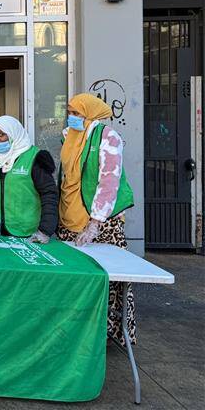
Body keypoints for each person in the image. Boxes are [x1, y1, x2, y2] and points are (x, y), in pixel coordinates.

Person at [56, 93, 136, 345]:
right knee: (75, 279)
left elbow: (109, 181)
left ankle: (107, 335)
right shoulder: (70, 135)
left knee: (107, 280)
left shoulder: (108, 137)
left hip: (101, 221)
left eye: (77, 113)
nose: (71, 117)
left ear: (90, 113)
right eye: (69, 112)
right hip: (70, 217)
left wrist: (95, 222)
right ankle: (76, 333)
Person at [0, 116, 58, 241]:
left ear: (13, 134)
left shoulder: (34, 157)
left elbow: (49, 194)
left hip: (30, 234)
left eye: (1, 134)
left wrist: (45, 230)